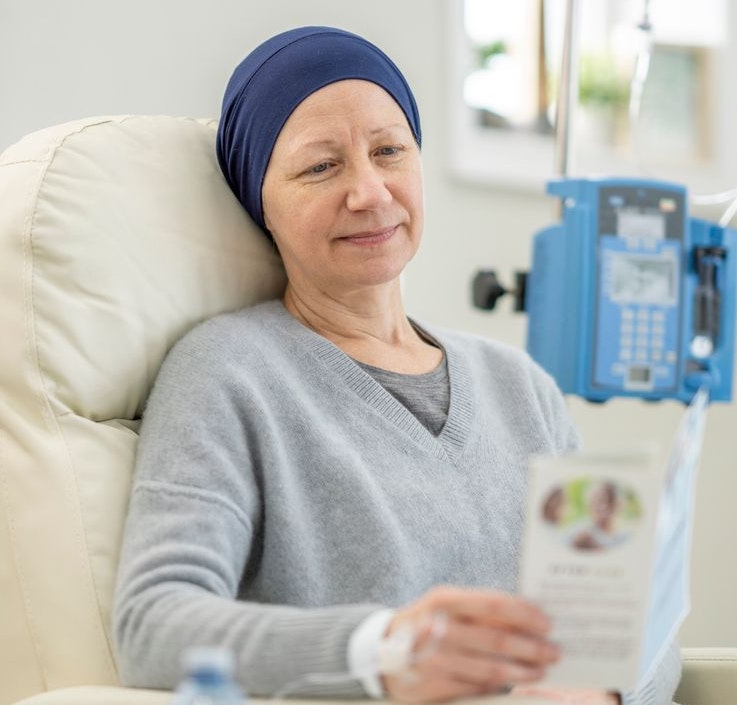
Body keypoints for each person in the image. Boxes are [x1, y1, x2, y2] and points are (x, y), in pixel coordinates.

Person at [112, 26, 681, 705]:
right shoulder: (226, 373)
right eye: (320, 166)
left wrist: (596, 691)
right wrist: (382, 653)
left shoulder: (521, 387)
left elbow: (630, 620)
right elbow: (153, 625)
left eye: (389, 151)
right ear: (259, 200)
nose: (371, 192)